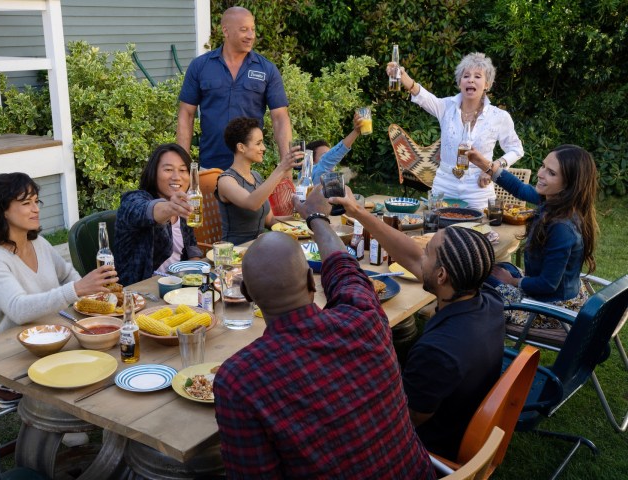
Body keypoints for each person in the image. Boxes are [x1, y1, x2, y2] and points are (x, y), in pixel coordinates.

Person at [213, 187, 435, 478]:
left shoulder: (239, 380)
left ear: (246, 294)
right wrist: (316, 218)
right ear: (310, 280)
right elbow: (344, 267)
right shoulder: (365, 317)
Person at [331, 189, 504, 460]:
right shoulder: (489, 301)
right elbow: (412, 257)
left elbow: (404, 420)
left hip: (428, 447)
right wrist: (359, 213)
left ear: (441, 275)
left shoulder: (438, 351)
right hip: (461, 412)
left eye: (428, 253)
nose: (420, 256)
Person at [0, 172, 117, 336]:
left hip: (55, 333)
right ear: (2, 210)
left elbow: (67, 274)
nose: (36, 209)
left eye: (36, 201)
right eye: (27, 203)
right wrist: (76, 289)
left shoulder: (38, 243)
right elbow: (18, 309)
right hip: (11, 348)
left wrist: (88, 299)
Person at [467, 144, 598, 327]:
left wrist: (512, 281)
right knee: (495, 266)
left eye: (551, 173)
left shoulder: (561, 228)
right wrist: (483, 164)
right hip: (556, 294)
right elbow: (520, 189)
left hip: (549, 308)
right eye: (543, 166)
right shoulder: (557, 203)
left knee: (473, 275)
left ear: (569, 184)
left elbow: (547, 285)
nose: (541, 173)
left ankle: (463, 331)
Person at [387, 52, 524, 209]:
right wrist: (402, 75)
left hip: (478, 190)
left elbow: (516, 149)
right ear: (460, 82)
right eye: (466, 76)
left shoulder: (499, 116)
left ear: (487, 84)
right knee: (437, 229)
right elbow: (422, 95)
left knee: (478, 231)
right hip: (444, 186)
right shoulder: (445, 107)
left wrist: (493, 167)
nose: (471, 79)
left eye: (478, 76)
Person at [176, 6, 291, 170]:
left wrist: (286, 165)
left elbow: (280, 118)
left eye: (253, 29)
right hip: (210, 167)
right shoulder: (200, 66)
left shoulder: (266, 69)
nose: (251, 36)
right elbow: (186, 114)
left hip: (250, 169)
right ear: (226, 31)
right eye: (244, 30)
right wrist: (182, 165)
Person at [114, 143, 203, 285]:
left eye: (183, 170)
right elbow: (141, 210)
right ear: (153, 172)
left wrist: (196, 274)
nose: (176, 177)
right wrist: (169, 208)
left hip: (178, 287)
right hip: (141, 293)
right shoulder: (133, 200)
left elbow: (190, 245)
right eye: (168, 169)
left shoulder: (183, 203)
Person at [216, 117, 300, 245]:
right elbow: (252, 203)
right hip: (235, 252)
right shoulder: (226, 180)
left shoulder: (256, 176)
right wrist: (281, 168)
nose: (264, 148)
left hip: (259, 247)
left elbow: (269, 219)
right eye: (258, 143)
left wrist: (300, 217)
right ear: (241, 147)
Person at [308, 111, 363, 184]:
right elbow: (327, 160)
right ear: (311, 162)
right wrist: (356, 131)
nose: (332, 160)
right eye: (324, 156)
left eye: (330, 153)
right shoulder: (312, 175)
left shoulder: (332, 182)